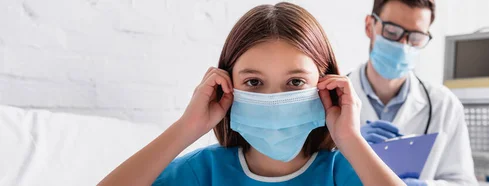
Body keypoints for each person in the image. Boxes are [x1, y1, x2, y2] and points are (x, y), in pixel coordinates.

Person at [99, 2, 406, 186]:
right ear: (225, 87)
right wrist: (185, 129)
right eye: (254, 83)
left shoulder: (343, 172)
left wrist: (351, 139)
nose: (274, 99)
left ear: (327, 86)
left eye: (296, 82)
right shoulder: (204, 172)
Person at [348, 0, 478, 185]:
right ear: (370, 26)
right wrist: (343, 149)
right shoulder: (330, 97)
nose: (403, 45)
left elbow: (463, 182)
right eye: (392, 32)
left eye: (415, 38)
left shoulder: (443, 104)